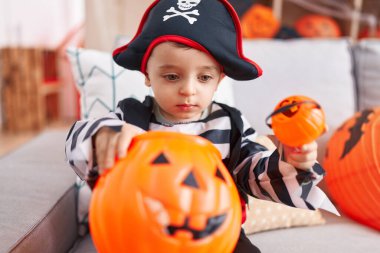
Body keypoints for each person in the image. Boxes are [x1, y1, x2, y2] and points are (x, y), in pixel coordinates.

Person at [65, 0, 337, 252]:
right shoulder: (131, 116)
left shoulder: (229, 123)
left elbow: (255, 172)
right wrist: (105, 135)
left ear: (219, 80)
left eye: (204, 77)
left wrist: (291, 161)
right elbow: (78, 144)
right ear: (147, 75)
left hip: (218, 231)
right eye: (172, 76)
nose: (188, 90)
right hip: (138, 230)